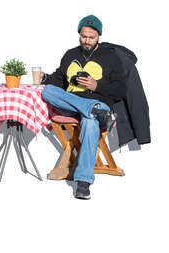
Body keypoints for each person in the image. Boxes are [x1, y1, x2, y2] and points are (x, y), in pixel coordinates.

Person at [40, 15, 126, 200]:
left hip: (99, 100)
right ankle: (93, 109)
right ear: (79, 34)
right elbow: (58, 79)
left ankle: (83, 182)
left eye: (91, 37)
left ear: (99, 37)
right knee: (47, 91)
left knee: (90, 122)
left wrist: (97, 86)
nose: (86, 40)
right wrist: (45, 78)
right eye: (83, 36)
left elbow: (121, 90)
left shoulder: (111, 57)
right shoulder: (70, 54)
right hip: (71, 103)